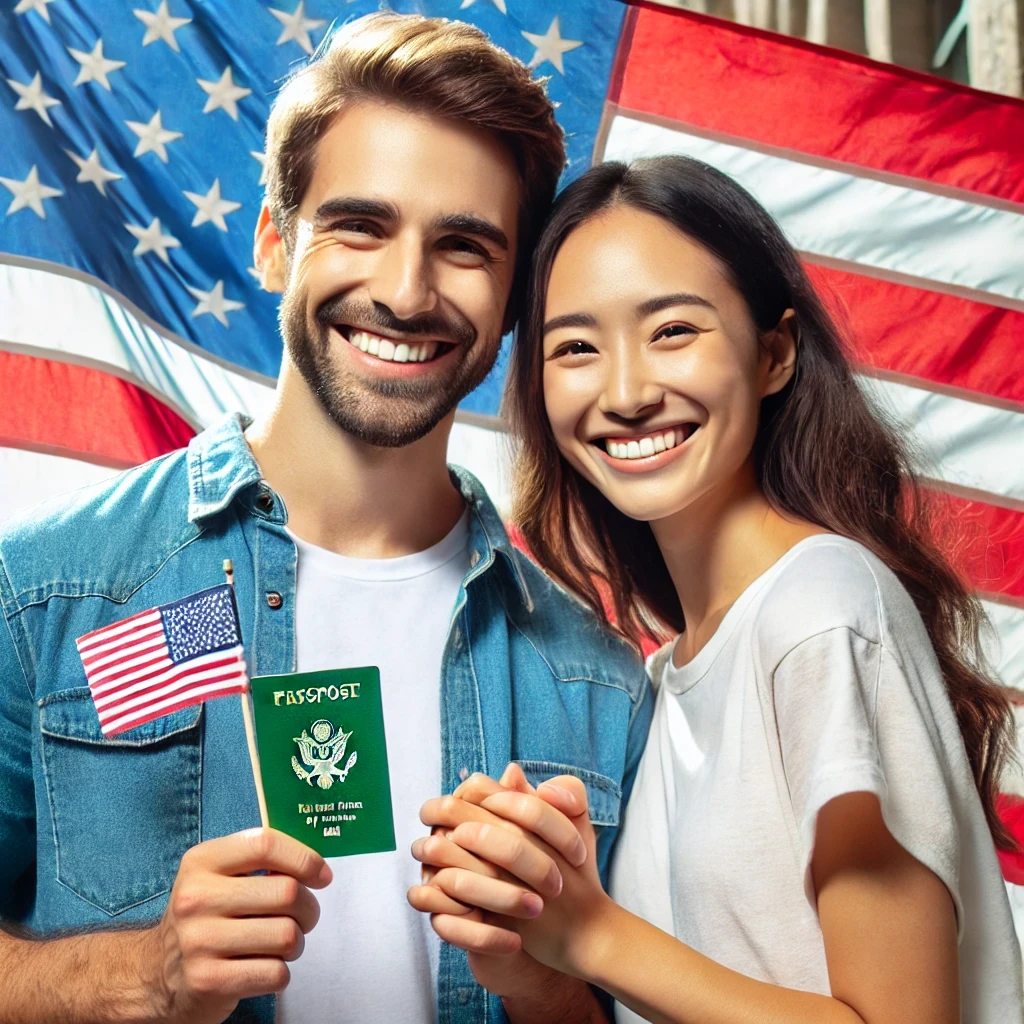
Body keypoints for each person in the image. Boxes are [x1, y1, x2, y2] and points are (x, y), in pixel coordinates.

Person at [0, 16, 652, 1024]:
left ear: (515, 295)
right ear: (274, 240)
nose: (405, 289)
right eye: (360, 225)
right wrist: (139, 973)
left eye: (464, 246)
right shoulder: (49, 596)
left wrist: (546, 986)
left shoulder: (597, 686)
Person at [408, 156, 1024, 1023]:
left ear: (773, 353)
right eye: (576, 348)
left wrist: (595, 934)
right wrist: (536, 955)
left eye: (672, 332)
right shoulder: (660, 687)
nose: (624, 392)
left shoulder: (821, 612)